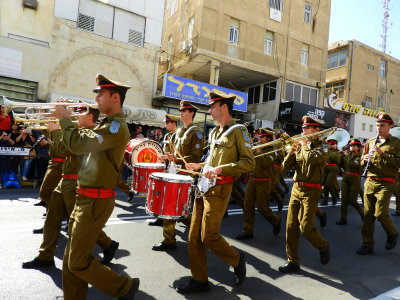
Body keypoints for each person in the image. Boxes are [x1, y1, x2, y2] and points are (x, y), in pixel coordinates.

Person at [51, 74, 139, 300]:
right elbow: (67, 149)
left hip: (95, 201)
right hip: (84, 198)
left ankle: (124, 287)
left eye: (101, 93)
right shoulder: (104, 125)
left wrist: (65, 120)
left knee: (78, 262)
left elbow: (79, 144)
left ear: (115, 97)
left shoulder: (116, 127)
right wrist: (60, 126)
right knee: (72, 261)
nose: (97, 98)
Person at [177, 92, 255, 293]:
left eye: (213, 106)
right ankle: (200, 279)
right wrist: (200, 164)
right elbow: (213, 160)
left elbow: (248, 162)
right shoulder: (214, 132)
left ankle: (237, 259)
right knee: (194, 238)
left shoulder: (239, 131)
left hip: (220, 188)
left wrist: (221, 169)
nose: (209, 110)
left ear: (224, 108)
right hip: (204, 186)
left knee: (209, 236)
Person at [22, 106, 119, 268]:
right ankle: (45, 255)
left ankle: (107, 244)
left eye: (79, 113)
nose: (76, 116)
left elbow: (61, 151)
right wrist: (52, 124)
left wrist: (57, 129)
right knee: (52, 220)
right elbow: (56, 147)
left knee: (80, 224)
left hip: (76, 182)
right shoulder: (77, 130)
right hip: (64, 179)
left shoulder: (92, 134)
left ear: (90, 117)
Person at [279, 116, 330, 273]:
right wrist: (291, 152)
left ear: (316, 130)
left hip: (311, 190)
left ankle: (323, 246)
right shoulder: (300, 146)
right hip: (296, 188)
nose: (303, 131)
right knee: (290, 227)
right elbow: (284, 167)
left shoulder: (324, 147)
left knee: (306, 226)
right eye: (303, 128)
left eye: (307, 129)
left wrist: (305, 145)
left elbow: (311, 160)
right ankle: (293, 261)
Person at [152, 102, 204, 251]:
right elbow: (173, 154)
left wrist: (177, 159)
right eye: (180, 110)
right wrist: (166, 157)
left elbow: (196, 157)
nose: (180, 112)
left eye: (184, 110)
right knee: (176, 209)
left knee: (175, 208)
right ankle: (173, 238)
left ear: (191, 113)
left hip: (186, 174)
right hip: (175, 173)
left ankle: (194, 232)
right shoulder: (179, 131)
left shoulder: (197, 132)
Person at [356, 113, 400, 255]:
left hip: (386, 182)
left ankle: (392, 233)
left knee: (380, 213)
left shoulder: (396, 143)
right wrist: (364, 160)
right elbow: (361, 162)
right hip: (370, 181)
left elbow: (397, 163)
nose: (379, 128)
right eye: (377, 125)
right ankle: (367, 244)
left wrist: (382, 154)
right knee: (368, 215)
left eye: (382, 125)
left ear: (390, 127)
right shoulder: (370, 142)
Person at [236, 128, 281, 240]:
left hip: (264, 182)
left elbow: (266, 163)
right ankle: (248, 231)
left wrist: (260, 152)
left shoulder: (272, 150)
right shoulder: (256, 147)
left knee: (262, 208)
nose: (258, 138)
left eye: (261, 137)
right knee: (248, 206)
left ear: (268, 138)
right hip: (252, 179)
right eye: (259, 136)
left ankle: (276, 221)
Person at [148, 113, 180, 227]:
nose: (165, 125)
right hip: (167, 168)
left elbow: (176, 154)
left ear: (173, 123)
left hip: (175, 168)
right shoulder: (167, 136)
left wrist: (167, 157)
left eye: (167, 123)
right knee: (161, 195)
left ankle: (179, 218)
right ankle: (160, 219)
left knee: (171, 197)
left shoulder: (178, 135)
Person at [336, 138, 364, 225]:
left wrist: (346, 156)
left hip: (355, 179)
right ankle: (343, 218)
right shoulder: (347, 156)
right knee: (343, 200)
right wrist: (340, 157)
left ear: (358, 147)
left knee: (352, 200)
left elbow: (357, 166)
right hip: (345, 178)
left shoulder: (361, 157)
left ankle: (363, 214)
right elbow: (339, 165)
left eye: (354, 146)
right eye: (351, 146)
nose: (352, 147)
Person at [321, 139, 340, 206]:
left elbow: (337, 161)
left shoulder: (337, 152)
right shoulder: (326, 150)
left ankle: (333, 197)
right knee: (325, 184)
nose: (331, 145)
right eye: (330, 144)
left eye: (333, 144)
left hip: (333, 169)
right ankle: (325, 200)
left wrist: (329, 151)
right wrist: (325, 142)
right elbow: (323, 145)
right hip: (325, 168)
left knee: (328, 184)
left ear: (336, 145)